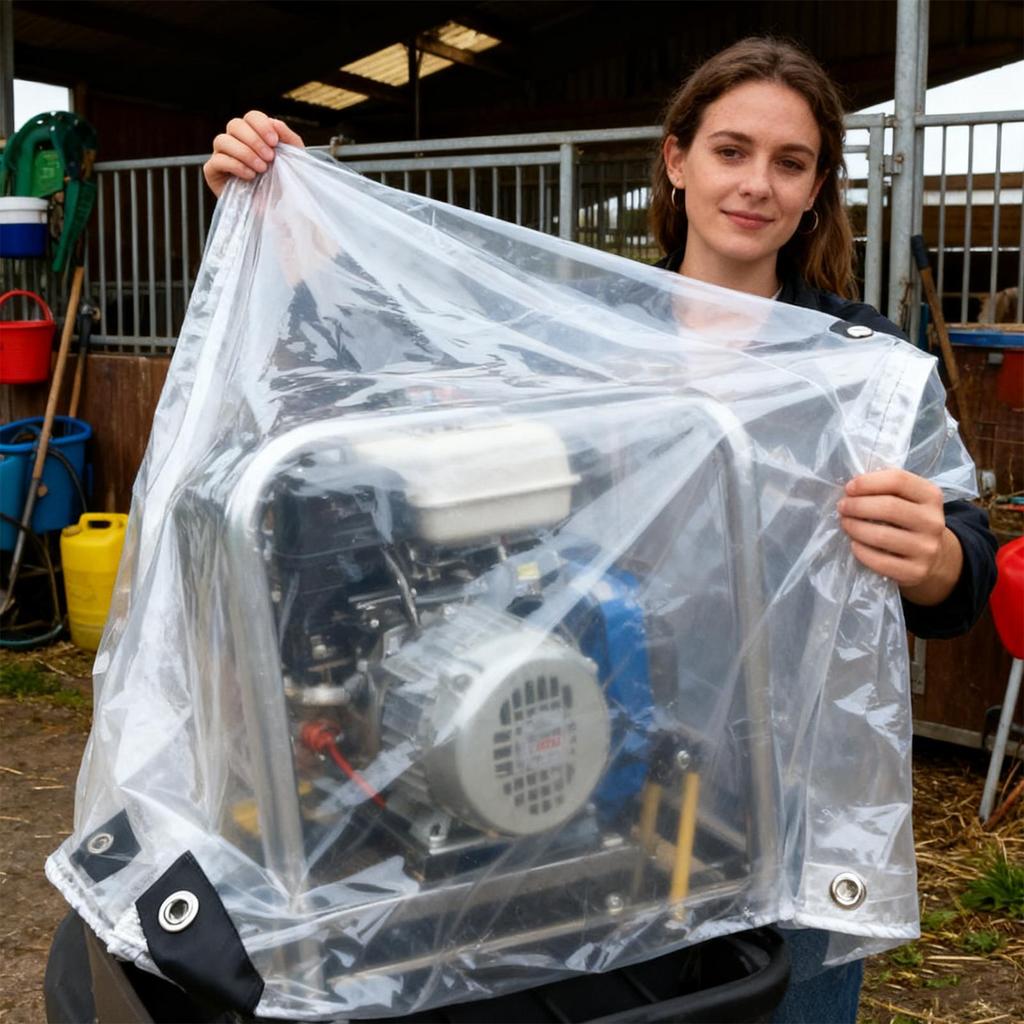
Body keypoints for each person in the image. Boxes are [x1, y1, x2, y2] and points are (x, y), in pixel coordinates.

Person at [204, 36, 997, 1024]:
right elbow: (398, 365)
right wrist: (294, 232)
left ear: (816, 189)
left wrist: (938, 558)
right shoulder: (587, 335)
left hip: (791, 797)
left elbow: (960, 567)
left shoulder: (860, 364)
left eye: (789, 164)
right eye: (730, 150)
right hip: (590, 780)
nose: (755, 185)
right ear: (676, 159)